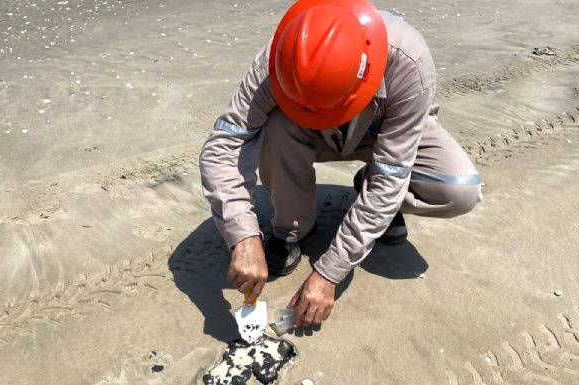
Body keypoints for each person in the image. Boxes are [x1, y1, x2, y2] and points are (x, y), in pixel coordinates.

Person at [199, 0, 482, 328]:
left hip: (384, 133)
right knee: (275, 127)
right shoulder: (280, 56)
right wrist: (243, 234)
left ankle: (368, 187)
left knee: (459, 191)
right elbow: (225, 143)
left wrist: (329, 273)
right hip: (308, 134)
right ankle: (291, 229)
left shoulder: (409, 61)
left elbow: (392, 174)